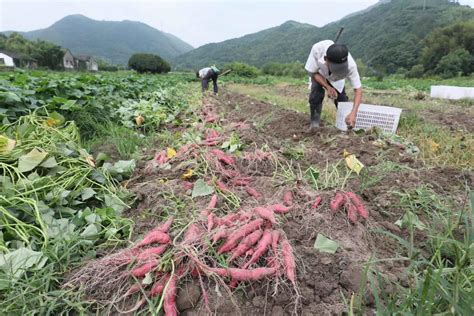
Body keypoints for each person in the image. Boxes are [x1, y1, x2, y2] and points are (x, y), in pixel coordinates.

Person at [305, 40, 362, 129]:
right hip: (319, 74)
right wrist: (327, 86)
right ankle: (314, 124)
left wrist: (354, 113)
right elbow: (313, 73)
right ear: (326, 60)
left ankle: (345, 125)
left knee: (342, 100)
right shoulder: (317, 50)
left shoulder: (351, 66)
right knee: (316, 94)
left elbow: (358, 90)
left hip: (337, 80)